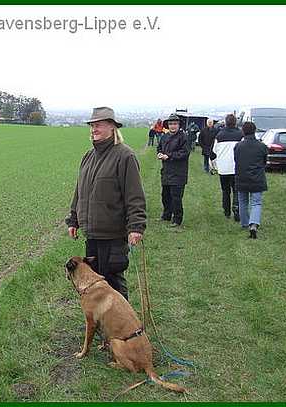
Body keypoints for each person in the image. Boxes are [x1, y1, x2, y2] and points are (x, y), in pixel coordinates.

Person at [65, 107, 146, 301]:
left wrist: (136, 226)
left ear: (112, 127)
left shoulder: (125, 156)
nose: (94, 129)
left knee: (113, 282)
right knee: (95, 284)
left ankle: (123, 319)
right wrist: (73, 220)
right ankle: (103, 317)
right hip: (92, 234)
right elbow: (79, 192)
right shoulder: (88, 157)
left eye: (99, 125)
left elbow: (134, 195)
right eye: (92, 125)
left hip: (113, 235)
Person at [234, 121, 268, 239]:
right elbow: (264, 162)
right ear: (254, 131)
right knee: (256, 203)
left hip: (241, 177)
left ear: (243, 132)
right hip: (257, 178)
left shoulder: (238, 146)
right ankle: (253, 224)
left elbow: (236, 160)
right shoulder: (262, 146)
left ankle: (244, 223)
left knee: (243, 201)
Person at [157, 114, 191, 228]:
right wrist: (159, 153)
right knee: (165, 196)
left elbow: (184, 153)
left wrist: (169, 156)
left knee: (176, 197)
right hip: (166, 171)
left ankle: (177, 219)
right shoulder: (164, 137)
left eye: (175, 124)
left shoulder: (184, 137)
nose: (173, 126)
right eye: (171, 124)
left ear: (179, 125)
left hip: (178, 172)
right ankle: (166, 215)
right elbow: (159, 147)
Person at [211, 113, 243, 221]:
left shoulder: (219, 135)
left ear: (225, 122)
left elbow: (214, 151)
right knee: (236, 190)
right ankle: (236, 208)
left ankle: (226, 210)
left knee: (225, 190)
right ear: (235, 122)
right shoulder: (240, 135)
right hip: (236, 167)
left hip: (223, 168)